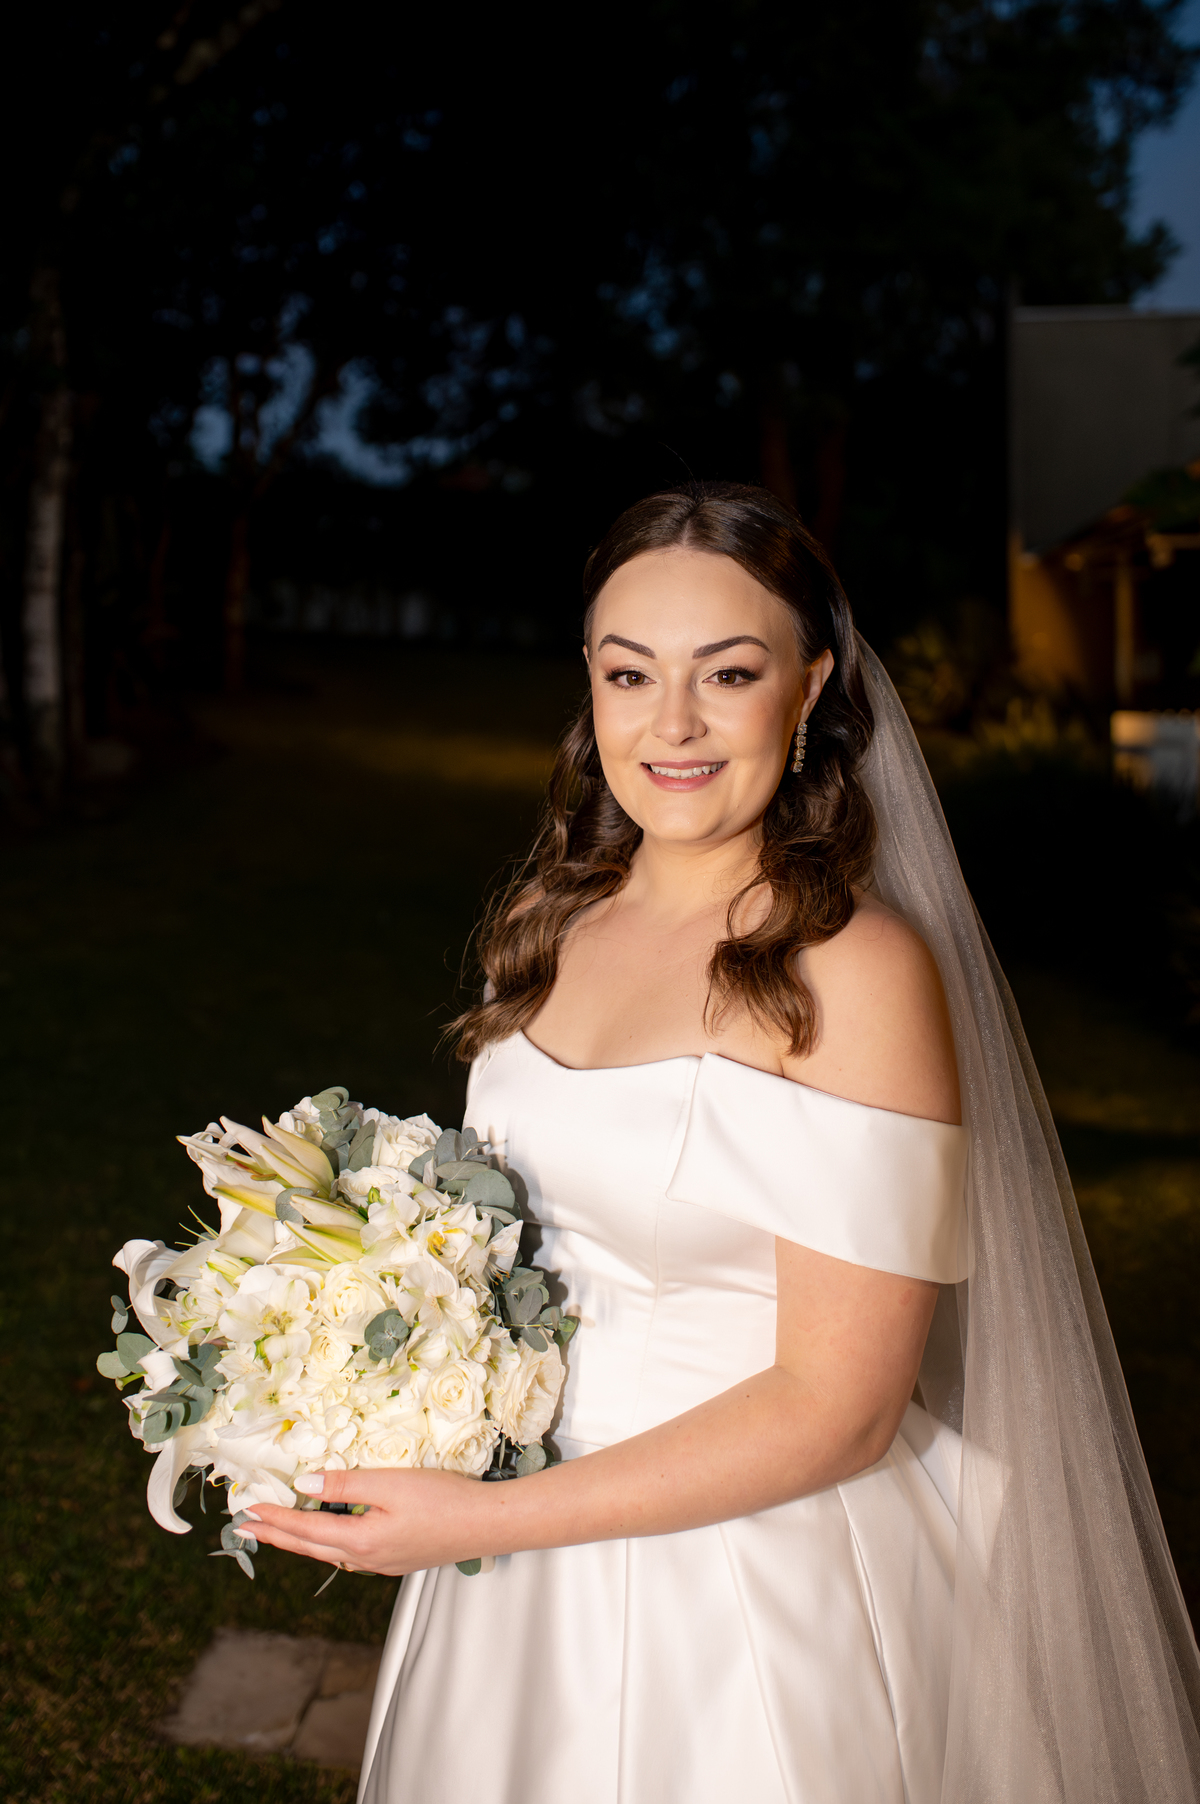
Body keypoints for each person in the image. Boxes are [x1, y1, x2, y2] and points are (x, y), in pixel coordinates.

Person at [247, 483, 1200, 1803]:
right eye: (629, 673)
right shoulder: (549, 923)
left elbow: (843, 1404)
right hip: (506, 1561)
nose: (674, 724)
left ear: (810, 688)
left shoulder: (852, 972)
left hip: (744, 1584)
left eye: (729, 673)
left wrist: (496, 1518)